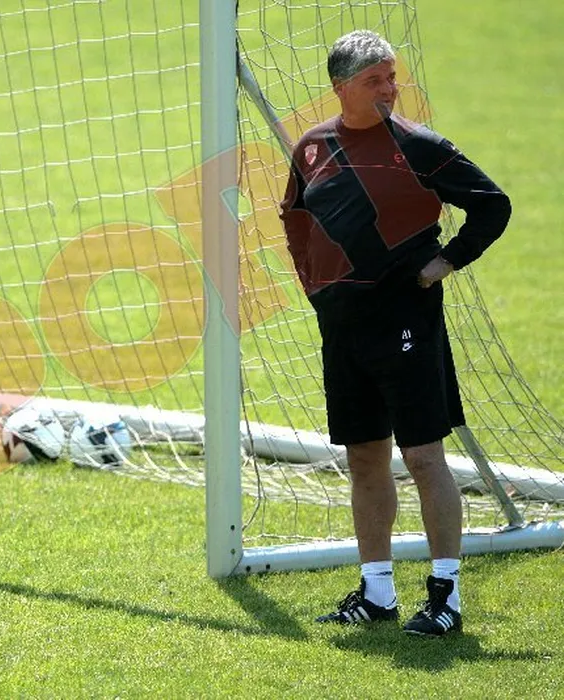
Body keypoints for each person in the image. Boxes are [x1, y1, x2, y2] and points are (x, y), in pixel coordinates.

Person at [279, 30, 511, 636]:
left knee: (424, 456)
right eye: (373, 81)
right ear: (341, 88)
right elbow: (294, 218)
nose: (389, 89)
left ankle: (446, 595)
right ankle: (377, 592)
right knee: (363, 456)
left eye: (391, 77)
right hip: (344, 326)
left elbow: (493, 204)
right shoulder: (312, 147)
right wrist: (315, 288)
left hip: (407, 318)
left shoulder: (419, 145)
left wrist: (446, 262)